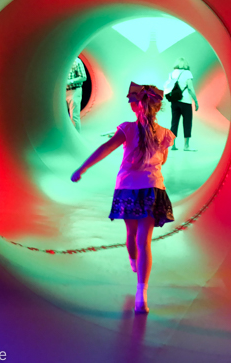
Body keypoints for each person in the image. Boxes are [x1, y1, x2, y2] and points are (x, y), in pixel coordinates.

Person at [70, 82, 176, 314]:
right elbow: (163, 161)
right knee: (144, 241)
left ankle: (134, 263)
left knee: (131, 235)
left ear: (136, 106)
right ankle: (142, 296)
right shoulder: (167, 134)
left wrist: (82, 168)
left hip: (127, 188)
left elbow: (105, 148)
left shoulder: (127, 129)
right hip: (152, 188)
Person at [164, 57, 199, 151]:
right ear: (185, 64)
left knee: (174, 122)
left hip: (174, 101)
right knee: (187, 122)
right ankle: (186, 146)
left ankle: (173, 145)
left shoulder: (171, 74)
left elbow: (168, 87)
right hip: (186, 102)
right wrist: (195, 101)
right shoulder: (187, 73)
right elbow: (191, 88)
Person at [66, 56, 87, 133]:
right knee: (60, 115)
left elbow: (83, 77)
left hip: (74, 90)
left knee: (74, 116)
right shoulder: (62, 62)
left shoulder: (76, 61)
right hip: (62, 91)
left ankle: (76, 135)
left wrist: (70, 81)